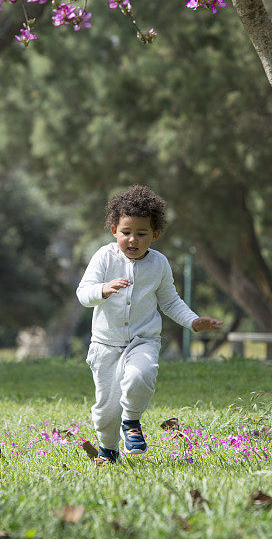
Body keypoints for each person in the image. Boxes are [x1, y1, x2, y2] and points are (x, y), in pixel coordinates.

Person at [76, 184, 222, 463]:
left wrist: (193, 321)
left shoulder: (159, 264)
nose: (133, 240)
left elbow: (170, 302)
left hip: (144, 340)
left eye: (141, 234)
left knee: (139, 376)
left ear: (155, 235)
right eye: (126, 232)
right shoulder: (104, 258)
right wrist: (103, 289)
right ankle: (108, 450)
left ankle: (131, 422)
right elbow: (83, 294)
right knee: (106, 410)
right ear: (113, 231)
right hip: (105, 345)